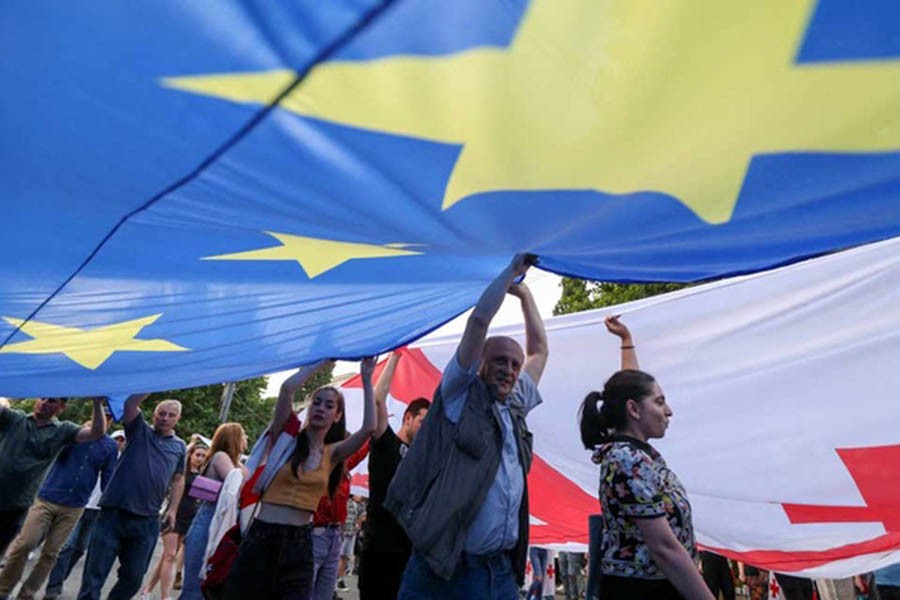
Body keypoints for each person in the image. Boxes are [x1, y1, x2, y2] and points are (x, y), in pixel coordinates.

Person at [386, 253, 549, 599]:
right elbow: (479, 322)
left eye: (514, 364)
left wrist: (526, 295)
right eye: (499, 361)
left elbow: (540, 350)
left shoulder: (514, 407)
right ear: (479, 366)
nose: (508, 369)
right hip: (447, 570)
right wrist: (510, 274)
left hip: (500, 573)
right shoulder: (459, 396)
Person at [579, 316, 714, 600]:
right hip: (645, 591)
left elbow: (631, 390)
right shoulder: (630, 461)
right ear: (634, 411)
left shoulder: (631, 450)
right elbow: (663, 547)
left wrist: (627, 342)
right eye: (660, 401)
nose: (668, 411)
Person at [224, 358, 376, 600]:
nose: (320, 409)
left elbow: (369, 428)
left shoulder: (333, 453)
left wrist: (367, 377)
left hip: (301, 541)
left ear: (337, 416)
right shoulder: (285, 440)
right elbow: (287, 387)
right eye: (317, 403)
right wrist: (327, 360)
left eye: (329, 406)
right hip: (263, 536)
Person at [77, 396, 187, 600]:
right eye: (161, 413)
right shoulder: (139, 431)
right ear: (154, 415)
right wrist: (155, 377)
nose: (165, 418)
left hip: (147, 520)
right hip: (114, 514)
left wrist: (172, 510)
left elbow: (179, 479)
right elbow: (130, 405)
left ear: (178, 419)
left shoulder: (180, 447)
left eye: (171, 415)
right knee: (94, 576)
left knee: (134, 578)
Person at [0, 410, 116, 600]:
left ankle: (26, 594)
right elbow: (51, 450)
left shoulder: (109, 446)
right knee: (25, 544)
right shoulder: (73, 435)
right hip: (47, 497)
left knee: (51, 553)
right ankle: (3, 589)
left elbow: (108, 477)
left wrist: (108, 504)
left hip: (75, 505)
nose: (105, 418)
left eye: (109, 416)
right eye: (102, 414)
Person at [356, 350, 430, 600]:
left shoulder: (423, 459)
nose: (426, 430)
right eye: (423, 422)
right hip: (380, 551)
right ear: (408, 418)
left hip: (410, 553)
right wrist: (396, 358)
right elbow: (377, 400)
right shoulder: (385, 442)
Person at [0, 397, 107, 557]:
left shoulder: (63, 430)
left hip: (16, 506)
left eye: (51, 401)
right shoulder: (15, 418)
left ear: (61, 407)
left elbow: (96, 433)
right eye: (42, 398)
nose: (43, 403)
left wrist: (97, 403)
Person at [44, 429, 126, 600]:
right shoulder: (99, 453)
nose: (120, 442)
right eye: (117, 439)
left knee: (81, 548)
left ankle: (60, 579)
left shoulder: (122, 462)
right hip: (81, 505)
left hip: (99, 511)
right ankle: (53, 586)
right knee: (67, 546)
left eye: (122, 440)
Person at [179, 423, 248, 600]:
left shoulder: (235, 462)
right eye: (243, 435)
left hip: (220, 523)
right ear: (233, 438)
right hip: (208, 521)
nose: (246, 439)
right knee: (196, 586)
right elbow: (236, 482)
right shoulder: (220, 457)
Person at [142, 440, 209, 600]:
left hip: (190, 518)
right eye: (197, 454)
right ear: (191, 455)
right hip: (174, 515)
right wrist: (190, 445)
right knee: (171, 555)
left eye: (203, 456)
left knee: (168, 556)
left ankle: (147, 590)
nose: (200, 458)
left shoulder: (203, 473)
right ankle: (165, 596)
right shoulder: (182, 472)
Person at [309, 438, 369, 600]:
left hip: (335, 533)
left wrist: (372, 435)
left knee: (325, 589)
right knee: (307, 586)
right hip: (317, 532)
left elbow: (360, 452)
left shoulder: (343, 468)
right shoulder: (318, 466)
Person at [336, 495, 364, 592]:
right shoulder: (347, 502)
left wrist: (360, 521)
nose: (360, 497)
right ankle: (335, 580)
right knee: (340, 556)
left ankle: (340, 579)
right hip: (344, 532)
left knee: (346, 557)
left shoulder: (360, 505)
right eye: (358, 495)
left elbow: (362, 517)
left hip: (352, 533)